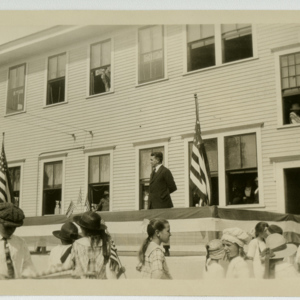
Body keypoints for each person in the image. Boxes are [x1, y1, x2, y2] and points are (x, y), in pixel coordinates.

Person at [71, 211, 119, 279]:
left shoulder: (77, 244)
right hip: (101, 284)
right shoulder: (107, 243)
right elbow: (114, 268)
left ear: (83, 229)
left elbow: (73, 266)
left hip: (83, 284)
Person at [0, 202, 36, 279]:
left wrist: (27, 275)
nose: (11, 230)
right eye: (7, 227)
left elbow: (27, 264)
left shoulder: (21, 242)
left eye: (14, 227)